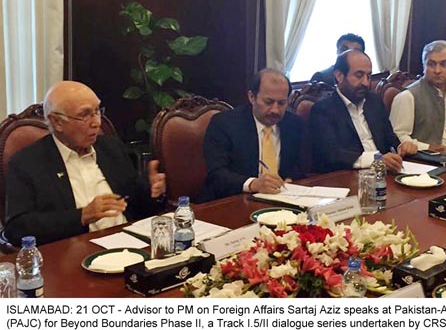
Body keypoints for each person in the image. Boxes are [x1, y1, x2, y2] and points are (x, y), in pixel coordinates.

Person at [4, 81, 166, 246]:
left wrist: (152, 192)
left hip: (127, 244)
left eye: (97, 111)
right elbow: (17, 228)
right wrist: (81, 216)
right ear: (57, 122)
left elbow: (136, 206)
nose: (97, 122)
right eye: (85, 115)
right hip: (72, 252)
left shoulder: (111, 148)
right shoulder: (27, 163)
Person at [202, 68, 305, 201]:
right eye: (268, 102)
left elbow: (301, 165)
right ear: (252, 97)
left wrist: (291, 179)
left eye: (281, 103)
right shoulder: (224, 124)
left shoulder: (294, 124)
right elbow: (216, 174)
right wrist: (253, 184)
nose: (275, 110)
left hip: (283, 200)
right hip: (234, 200)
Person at [309, 49, 403, 173]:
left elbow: (389, 137)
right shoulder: (323, 109)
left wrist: (402, 146)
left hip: (384, 172)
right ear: (339, 76)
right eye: (359, 75)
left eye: (368, 76)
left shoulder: (374, 101)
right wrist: (376, 159)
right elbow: (331, 154)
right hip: (350, 175)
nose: (366, 83)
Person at [389, 40, 446, 153]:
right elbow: (399, 136)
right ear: (424, 67)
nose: (437, 70)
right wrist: (429, 148)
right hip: (427, 157)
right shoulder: (408, 96)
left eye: (444, 64)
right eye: (431, 64)